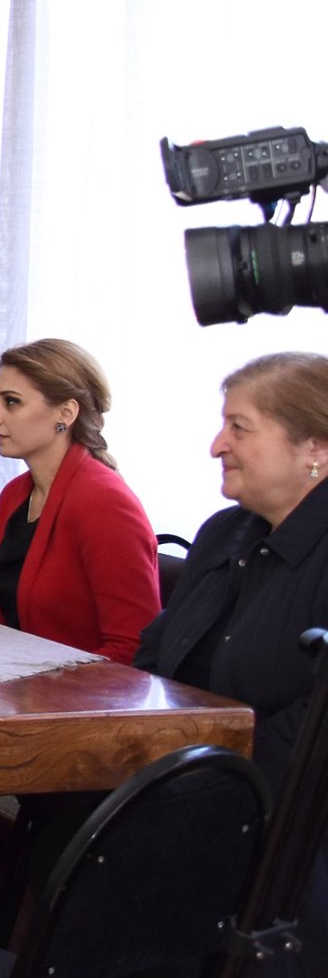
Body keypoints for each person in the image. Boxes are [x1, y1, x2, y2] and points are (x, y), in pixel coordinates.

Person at [136, 352, 328, 973]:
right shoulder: (226, 531)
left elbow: (313, 729)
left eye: (239, 427)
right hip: (193, 796)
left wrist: (204, 779)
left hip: (289, 834)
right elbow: (155, 652)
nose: (217, 445)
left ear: (315, 449)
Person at [0, 339, 157, 662]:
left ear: (66, 413)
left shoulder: (104, 502)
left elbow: (132, 645)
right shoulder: (13, 495)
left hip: (76, 691)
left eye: (12, 402)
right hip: (15, 681)